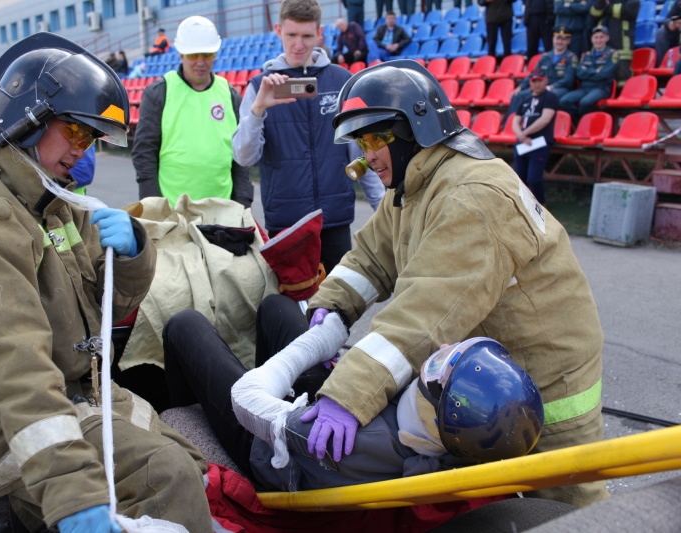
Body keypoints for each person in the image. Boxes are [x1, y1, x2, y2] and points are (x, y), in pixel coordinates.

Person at [0, 33, 213, 533]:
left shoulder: (47, 202)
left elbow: (105, 311)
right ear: (29, 122)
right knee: (165, 477)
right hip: (4, 428)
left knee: (188, 462)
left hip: (76, 393)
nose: (85, 155)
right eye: (77, 135)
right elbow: (9, 369)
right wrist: (69, 492)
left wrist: (133, 254)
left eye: (93, 141)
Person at [298, 59, 608, 508]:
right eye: (360, 141)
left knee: (566, 507)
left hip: (548, 380)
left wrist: (349, 394)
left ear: (415, 129)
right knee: (502, 502)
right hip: (492, 375)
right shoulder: (413, 184)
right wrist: (331, 306)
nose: (366, 155)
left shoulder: (470, 197)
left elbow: (424, 315)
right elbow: (371, 258)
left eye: (373, 138)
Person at [163, 299, 544, 491]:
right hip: (333, 416)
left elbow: (247, 399)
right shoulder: (453, 434)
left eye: (441, 360)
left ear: (439, 407)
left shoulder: (358, 443)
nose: (441, 346)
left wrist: (323, 338)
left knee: (184, 325)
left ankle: (179, 421)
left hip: (268, 446)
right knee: (276, 307)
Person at [232, 0, 384, 274]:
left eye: (306, 36)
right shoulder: (260, 87)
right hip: (286, 223)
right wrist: (258, 111)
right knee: (294, 309)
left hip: (335, 220)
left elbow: (362, 153)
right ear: (278, 30)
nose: (298, 45)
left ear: (319, 33)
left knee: (337, 308)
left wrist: (383, 210)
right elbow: (244, 157)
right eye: (291, 35)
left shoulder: (341, 81)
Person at [133, 15, 253, 208]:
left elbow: (240, 157)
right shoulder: (159, 93)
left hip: (222, 209)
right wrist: (153, 204)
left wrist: (243, 202)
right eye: (193, 55)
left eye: (207, 55)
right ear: (181, 54)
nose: (200, 62)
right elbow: (144, 152)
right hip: (173, 210)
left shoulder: (229, 94)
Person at [512, 68, 559, 206]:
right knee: (519, 178)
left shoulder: (550, 97)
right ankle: (522, 205)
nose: (537, 84)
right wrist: (520, 136)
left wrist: (524, 133)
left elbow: (545, 119)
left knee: (534, 178)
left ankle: (541, 206)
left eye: (540, 80)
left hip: (539, 142)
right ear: (530, 82)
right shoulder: (525, 99)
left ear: (546, 81)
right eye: (534, 81)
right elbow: (515, 120)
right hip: (522, 143)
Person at [509, 26, 578, 114]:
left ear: (568, 41)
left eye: (563, 39)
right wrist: (521, 87)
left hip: (561, 88)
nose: (560, 42)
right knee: (517, 95)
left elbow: (569, 80)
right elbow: (534, 73)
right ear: (553, 39)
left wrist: (551, 87)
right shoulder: (546, 56)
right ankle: (510, 124)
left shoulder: (571, 57)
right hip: (542, 87)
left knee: (546, 96)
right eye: (558, 38)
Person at [559, 26, 618, 121]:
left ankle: (585, 124)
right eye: (596, 37)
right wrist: (596, 71)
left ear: (607, 38)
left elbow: (605, 74)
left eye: (601, 37)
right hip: (584, 88)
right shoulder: (586, 55)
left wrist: (587, 71)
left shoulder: (613, 53)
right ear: (591, 39)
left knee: (585, 102)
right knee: (564, 101)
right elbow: (579, 73)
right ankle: (578, 121)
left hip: (601, 88)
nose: (598, 40)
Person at [590, 0, 639, 80]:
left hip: (622, 43)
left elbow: (628, 10)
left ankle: (624, 92)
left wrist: (607, 7)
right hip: (603, 43)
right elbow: (594, 13)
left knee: (622, 74)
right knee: (602, 73)